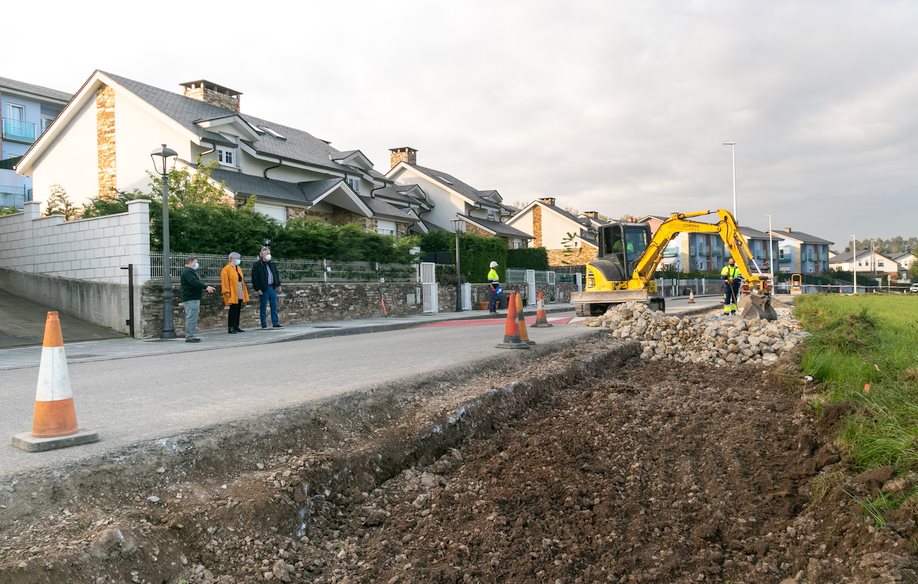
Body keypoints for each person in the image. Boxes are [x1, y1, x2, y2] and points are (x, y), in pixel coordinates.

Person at [180, 257, 215, 343]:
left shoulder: (189, 271)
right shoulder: (188, 272)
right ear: (191, 262)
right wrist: (206, 287)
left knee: (192, 317)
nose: (197, 264)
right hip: (191, 298)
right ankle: (190, 336)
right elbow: (194, 282)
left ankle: (190, 335)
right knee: (192, 317)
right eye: (196, 262)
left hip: (193, 298)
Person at [252, 246, 283, 329]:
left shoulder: (272, 264)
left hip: (272, 287)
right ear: (261, 255)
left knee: (274, 306)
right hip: (263, 288)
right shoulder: (257, 265)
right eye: (266, 253)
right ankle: (263, 323)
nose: (268, 255)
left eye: (269, 253)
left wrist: (278, 285)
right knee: (263, 307)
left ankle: (275, 322)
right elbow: (254, 278)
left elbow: (276, 274)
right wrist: (257, 289)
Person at [220, 252, 249, 334]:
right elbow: (225, 281)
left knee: (238, 308)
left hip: (239, 289)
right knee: (233, 309)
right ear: (232, 259)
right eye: (237, 258)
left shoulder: (238, 268)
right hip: (232, 290)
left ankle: (236, 325)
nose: (238, 260)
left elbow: (241, 280)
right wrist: (226, 291)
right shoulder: (226, 269)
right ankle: (231, 326)